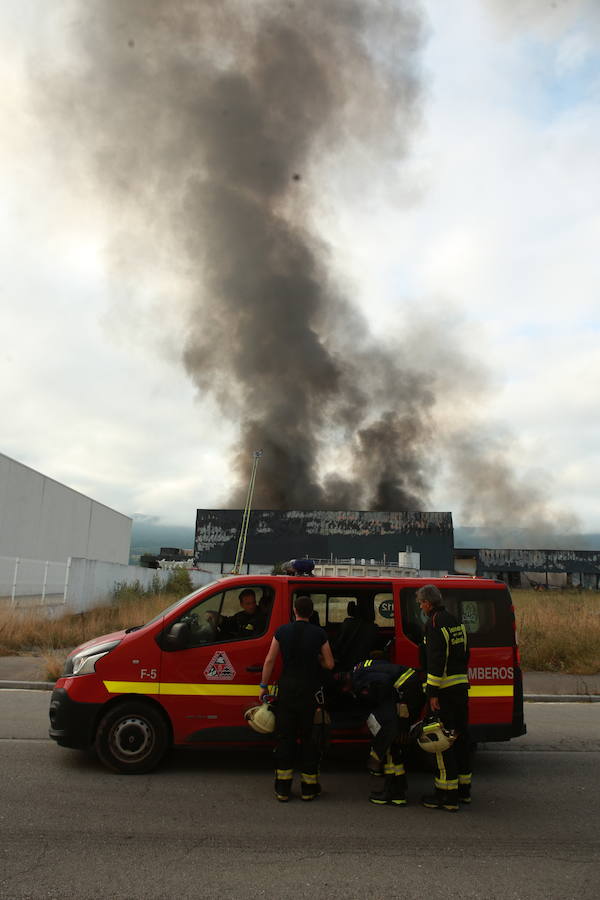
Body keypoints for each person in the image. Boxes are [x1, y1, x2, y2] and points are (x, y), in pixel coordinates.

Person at [260, 594, 334, 802]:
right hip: (309, 692)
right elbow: (330, 664)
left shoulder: (282, 631)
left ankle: (283, 789)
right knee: (309, 739)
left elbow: (270, 660)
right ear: (311, 612)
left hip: (287, 691)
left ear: (294, 611)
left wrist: (263, 686)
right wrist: (317, 658)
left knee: (286, 738)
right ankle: (309, 789)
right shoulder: (319, 634)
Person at [417, 584, 471, 812]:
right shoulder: (455, 621)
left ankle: (446, 796)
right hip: (460, 689)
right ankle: (463, 791)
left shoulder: (434, 624)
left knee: (441, 741)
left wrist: (432, 693)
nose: (420, 607)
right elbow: (466, 653)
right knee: (460, 740)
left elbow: (436, 660)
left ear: (428, 603)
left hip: (444, 692)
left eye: (421, 603)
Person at [347, 659, 424, 806]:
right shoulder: (363, 667)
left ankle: (394, 793)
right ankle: (398, 791)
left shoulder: (361, 678)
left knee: (391, 739)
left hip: (406, 693)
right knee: (394, 743)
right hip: (410, 689)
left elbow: (385, 682)